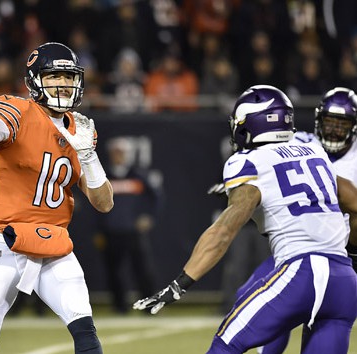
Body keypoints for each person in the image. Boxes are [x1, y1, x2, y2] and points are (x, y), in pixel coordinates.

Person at [133, 85, 357, 354]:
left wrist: (180, 284)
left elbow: (224, 231)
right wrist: (351, 250)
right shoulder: (315, 153)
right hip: (344, 281)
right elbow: (354, 203)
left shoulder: (247, 162)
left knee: (224, 346)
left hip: (301, 274)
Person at [0, 42, 114, 354]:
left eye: (69, 77)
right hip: (4, 241)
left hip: (54, 243)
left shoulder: (81, 128)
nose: (63, 84)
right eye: (54, 76)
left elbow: (104, 203)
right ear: (35, 80)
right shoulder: (17, 109)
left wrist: (88, 156)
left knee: (86, 335)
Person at [227, 86, 357, 353]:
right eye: (329, 122)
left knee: (321, 318)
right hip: (299, 249)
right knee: (250, 296)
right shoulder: (302, 143)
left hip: (341, 253)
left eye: (341, 123)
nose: (333, 129)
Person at [94, 137, 160, 314]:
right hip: (111, 232)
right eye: (115, 152)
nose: (118, 156)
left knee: (143, 270)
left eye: (121, 152)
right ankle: (120, 307)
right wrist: (99, 228)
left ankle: (149, 306)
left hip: (133, 232)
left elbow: (155, 198)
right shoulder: (102, 176)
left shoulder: (139, 176)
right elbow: (93, 204)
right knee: (113, 271)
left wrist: (148, 217)